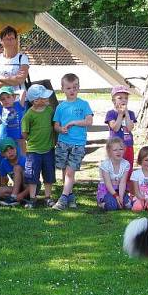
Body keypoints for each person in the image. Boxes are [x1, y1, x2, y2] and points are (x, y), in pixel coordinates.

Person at [52, 73, 93, 210]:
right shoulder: (60, 107)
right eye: (69, 88)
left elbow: (89, 121)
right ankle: (70, 196)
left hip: (78, 144)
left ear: (79, 88)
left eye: (75, 87)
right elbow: (56, 125)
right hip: (63, 142)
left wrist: (75, 122)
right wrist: (60, 129)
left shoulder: (83, 104)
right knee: (65, 171)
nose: (72, 91)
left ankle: (63, 199)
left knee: (70, 171)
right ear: (63, 89)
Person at [22, 84, 56, 209]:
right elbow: (24, 133)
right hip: (33, 151)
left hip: (48, 149)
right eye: (44, 97)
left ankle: (48, 197)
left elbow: (53, 125)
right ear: (35, 101)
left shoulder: (49, 111)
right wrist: (32, 140)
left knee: (49, 174)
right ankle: (32, 198)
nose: (48, 99)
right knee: (32, 175)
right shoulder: (29, 115)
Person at [105, 85, 137, 192]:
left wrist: (126, 114)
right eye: (120, 98)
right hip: (115, 147)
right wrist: (120, 115)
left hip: (128, 145)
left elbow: (130, 127)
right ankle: (114, 189)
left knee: (128, 167)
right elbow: (115, 127)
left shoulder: (131, 113)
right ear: (113, 100)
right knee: (115, 167)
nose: (123, 100)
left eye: (126, 98)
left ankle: (127, 190)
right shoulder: (111, 113)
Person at [0, 26, 29, 98]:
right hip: (0, 99)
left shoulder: (22, 58)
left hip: (19, 99)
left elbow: (20, 80)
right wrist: (12, 80)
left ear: (16, 40)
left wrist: (0, 78)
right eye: (7, 39)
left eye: (12, 38)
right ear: (1, 40)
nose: (10, 41)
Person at [0, 85, 26, 165]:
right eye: (2, 99)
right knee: (2, 163)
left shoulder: (19, 105)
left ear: (13, 97)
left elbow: (23, 92)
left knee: (20, 162)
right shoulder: (0, 109)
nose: (6, 100)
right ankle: (2, 175)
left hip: (17, 139)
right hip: (4, 141)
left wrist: (13, 93)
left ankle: (19, 176)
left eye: (8, 97)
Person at [97, 137, 132, 211]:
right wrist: (116, 196)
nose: (118, 152)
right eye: (115, 150)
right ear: (109, 152)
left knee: (128, 204)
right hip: (108, 190)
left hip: (120, 189)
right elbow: (108, 183)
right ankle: (101, 203)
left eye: (121, 149)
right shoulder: (105, 164)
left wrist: (121, 197)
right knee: (112, 206)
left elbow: (123, 182)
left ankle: (120, 200)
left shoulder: (126, 164)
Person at [0, 137, 27, 206]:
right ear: (2, 154)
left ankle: (14, 197)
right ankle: (18, 199)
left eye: (12, 148)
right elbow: (2, 183)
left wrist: (22, 194)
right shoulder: (4, 163)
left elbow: (34, 183)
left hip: (30, 187)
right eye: (6, 151)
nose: (10, 152)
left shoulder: (24, 160)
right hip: (18, 188)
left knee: (17, 168)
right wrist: (4, 189)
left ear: (16, 148)